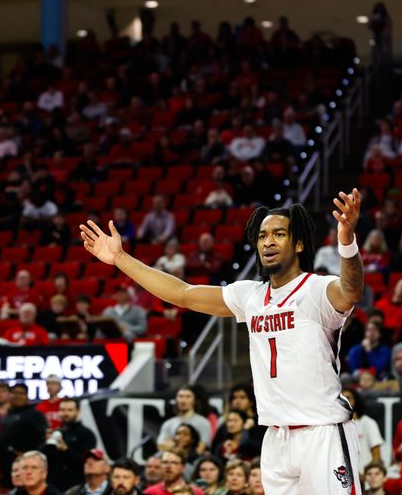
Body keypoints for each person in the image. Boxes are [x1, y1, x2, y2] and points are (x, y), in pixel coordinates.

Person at [82, 191, 366, 494]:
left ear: (298, 244)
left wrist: (346, 241)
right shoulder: (251, 295)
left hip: (321, 432)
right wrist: (120, 259)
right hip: (275, 436)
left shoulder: (316, 289)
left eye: (279, 234)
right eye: (262, 236)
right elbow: (183, 294)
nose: (267, 241)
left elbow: (350, 290)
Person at [0, 383, 48, 486]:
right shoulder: (5, 415)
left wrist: (30, 455)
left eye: (21, 393)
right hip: (5, 466)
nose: (17, 396)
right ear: (10, 395)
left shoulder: (35, 415)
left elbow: (43, 439)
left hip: (27, 467)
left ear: (27, 396)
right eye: (14, 393)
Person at [43, 398, 97, 492]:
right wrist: (46, 442)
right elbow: (44, 459)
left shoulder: (86, 434)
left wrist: (66, 450)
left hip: (76, 486)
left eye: (70, 410)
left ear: (78, 411)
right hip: (53, 486)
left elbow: (88, 463)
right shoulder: (55, 433)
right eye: (62, 410)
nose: (65, 413)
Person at [341, 388, 384, 472]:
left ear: (355, 401)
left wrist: (365, 476)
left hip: (366, 477)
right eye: (342, 398)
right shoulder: (337, 426)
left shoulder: (368, 423)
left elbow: (377, 456)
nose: (345, 401)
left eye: (348, 398)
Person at [157, 387, 212, 451]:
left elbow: (202, 448)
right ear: (176, 399)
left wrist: (172, 445)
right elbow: (160, 446)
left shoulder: (203, 423)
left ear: (194, 400)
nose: (183, 400)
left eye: (188, 397)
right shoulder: (168, 423)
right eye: (180, 396)